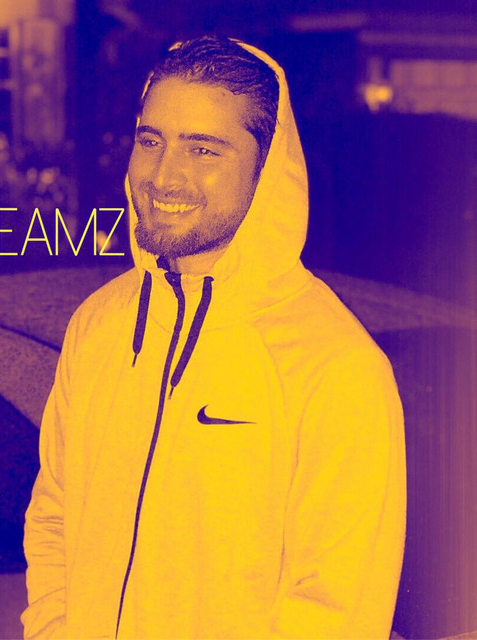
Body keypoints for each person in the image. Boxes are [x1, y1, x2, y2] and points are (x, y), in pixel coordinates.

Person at [21, 35, 407, 639]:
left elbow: (336, 611)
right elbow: (53, 518)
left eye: (203, 149)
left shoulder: (336, 366)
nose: (163, 176)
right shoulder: (98, 325)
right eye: (151, 141)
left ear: (266, 170)